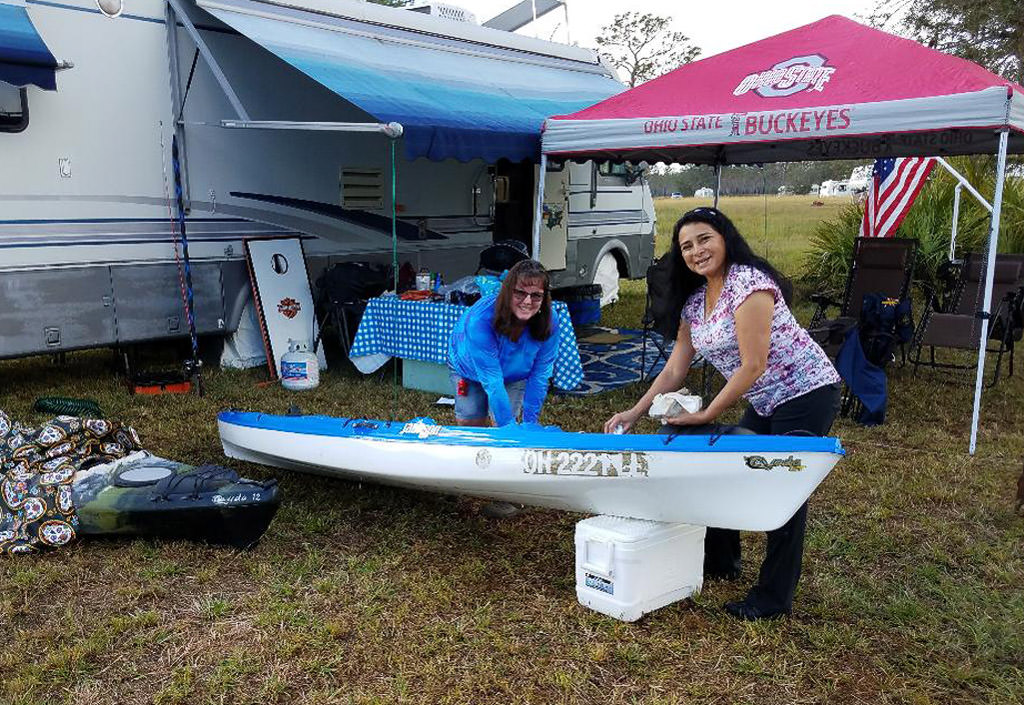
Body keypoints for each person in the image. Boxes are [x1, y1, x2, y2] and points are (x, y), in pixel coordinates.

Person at [604, 207, 841, 621]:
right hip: (765, 398)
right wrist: (636, 411)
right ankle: (722, 561)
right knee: (724, 469)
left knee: (782, 487)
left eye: (704, 239)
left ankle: (772, 598)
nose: (697, 251)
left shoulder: (749, 285)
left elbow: (753, 364)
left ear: (725, 238)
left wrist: (707, 414)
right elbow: (676, 368)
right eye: (687, 246)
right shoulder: (696, 303)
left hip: (807, 392)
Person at [449, 259, 559, 428]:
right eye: (520, 293)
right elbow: (492, 381)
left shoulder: (550, 321)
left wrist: (530, 423)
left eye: (536, 295)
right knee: (470, 422)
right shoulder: (481, 320)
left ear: (544, 298)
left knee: (503, 422)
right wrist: (509, 429)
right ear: (507, 293)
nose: (528, 302)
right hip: (468, 369)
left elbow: (540, 375)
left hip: (514, 374)